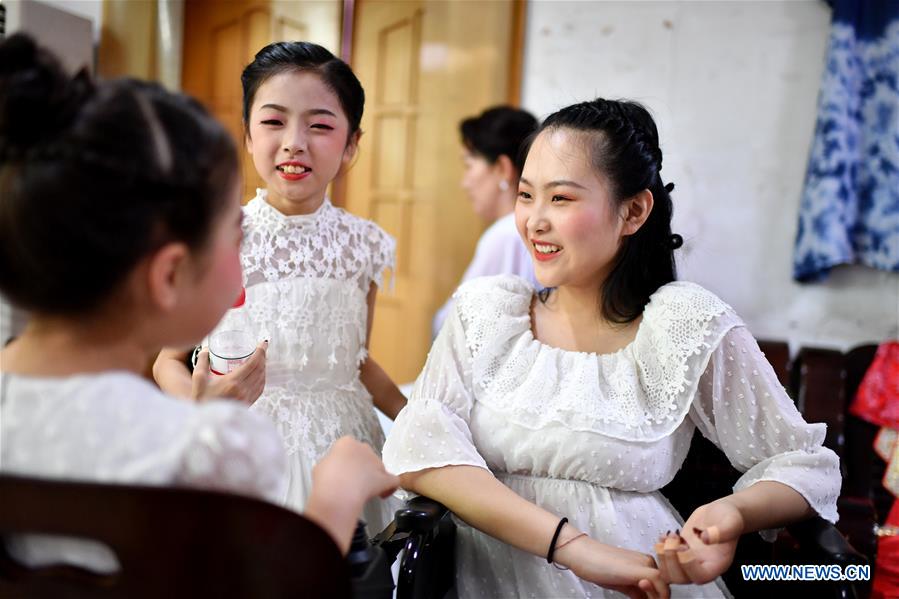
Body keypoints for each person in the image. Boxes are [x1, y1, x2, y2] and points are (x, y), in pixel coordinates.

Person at [383, 98, 842, 598]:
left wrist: (730, 514)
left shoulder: (683, 323)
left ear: (634, 211)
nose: (534, 221)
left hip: (637, 583)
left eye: (560, 199)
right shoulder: (486, 314)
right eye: (526, 195)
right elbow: (420, 452)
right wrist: (575, 549)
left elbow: (802, 461)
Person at [0, 33, 398, 572]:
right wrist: (336, 495)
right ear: (170, 271)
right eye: (227, 234)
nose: (294, 142)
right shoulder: (205, 447)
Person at [153, 41, 406, 527]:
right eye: (273, 122)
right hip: (242, 446)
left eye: (320, 125)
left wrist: (414, 419)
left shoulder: (366, 245)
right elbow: (168, 361)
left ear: (351, 142)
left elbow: (356, 359)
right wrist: (199, 407)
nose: (295, 142)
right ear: (248, 136)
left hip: (343, 447)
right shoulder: (216, 238)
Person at [432, 106, 539, 337]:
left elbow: (452, 327)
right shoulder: (533, 229)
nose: (465, 182)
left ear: (502, 168)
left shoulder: (505, 235)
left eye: (469, 166)